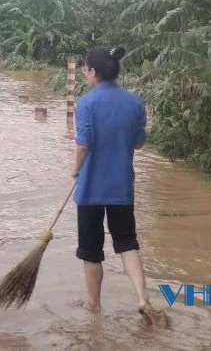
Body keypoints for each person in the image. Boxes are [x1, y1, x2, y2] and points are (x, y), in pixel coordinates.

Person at [72, 46, 165, 326]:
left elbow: (84, 144)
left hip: (90, 190)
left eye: (85, 70)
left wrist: (76, 169)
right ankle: (142, 298)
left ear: (92, 72)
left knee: (91, 250)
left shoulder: (86, 103)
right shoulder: (135, 102)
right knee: (127, 243)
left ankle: (94, 305)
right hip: (121, 187)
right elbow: (138, 142)